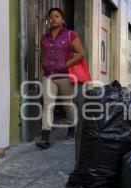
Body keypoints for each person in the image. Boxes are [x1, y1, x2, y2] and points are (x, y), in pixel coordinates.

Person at [35, 8, 85, 149]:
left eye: (57, 16)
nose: (53, 19)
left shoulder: (70, 35)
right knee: (47, 106)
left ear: (62, 19)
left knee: (67, 104)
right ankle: (45, 138)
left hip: (65, 76)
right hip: (49, 76)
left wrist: (66, 64)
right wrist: (43, 65)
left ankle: (72, 126)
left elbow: (81, 54)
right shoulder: (44, 37)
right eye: (51, 17)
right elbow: (43, 54)